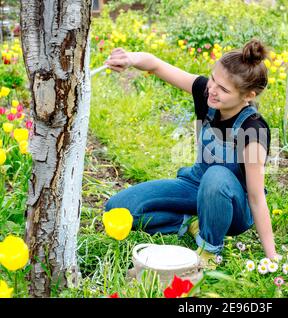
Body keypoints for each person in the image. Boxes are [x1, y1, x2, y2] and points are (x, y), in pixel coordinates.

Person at [104, 39, 279, 267]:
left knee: (216, 176)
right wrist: (130, 58)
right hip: (195, 185)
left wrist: (272, 255)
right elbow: (157, 65)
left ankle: (209, 250)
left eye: (224, 89)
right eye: (213, 79)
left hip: (233, 206)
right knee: (118, 209)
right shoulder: (207, 94)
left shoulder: (253, 130)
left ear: (248, 96)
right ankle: (189, 223)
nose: (212, 91)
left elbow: (256, 198)